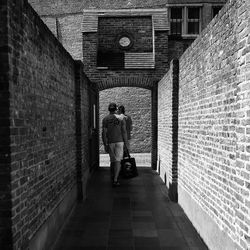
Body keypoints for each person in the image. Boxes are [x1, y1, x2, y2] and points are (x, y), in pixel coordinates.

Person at [102, 103, 128, 187]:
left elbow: (104, 133)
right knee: (118, 161)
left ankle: (113, 175)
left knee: (113, 160)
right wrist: (126, 143)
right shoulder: (121, 118)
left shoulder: (105, 119)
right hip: (119, 142)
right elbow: (124, 131)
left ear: (109, 109)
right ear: (116, 109)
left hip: (110, 142)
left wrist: (105, 144)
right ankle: (115, 179)